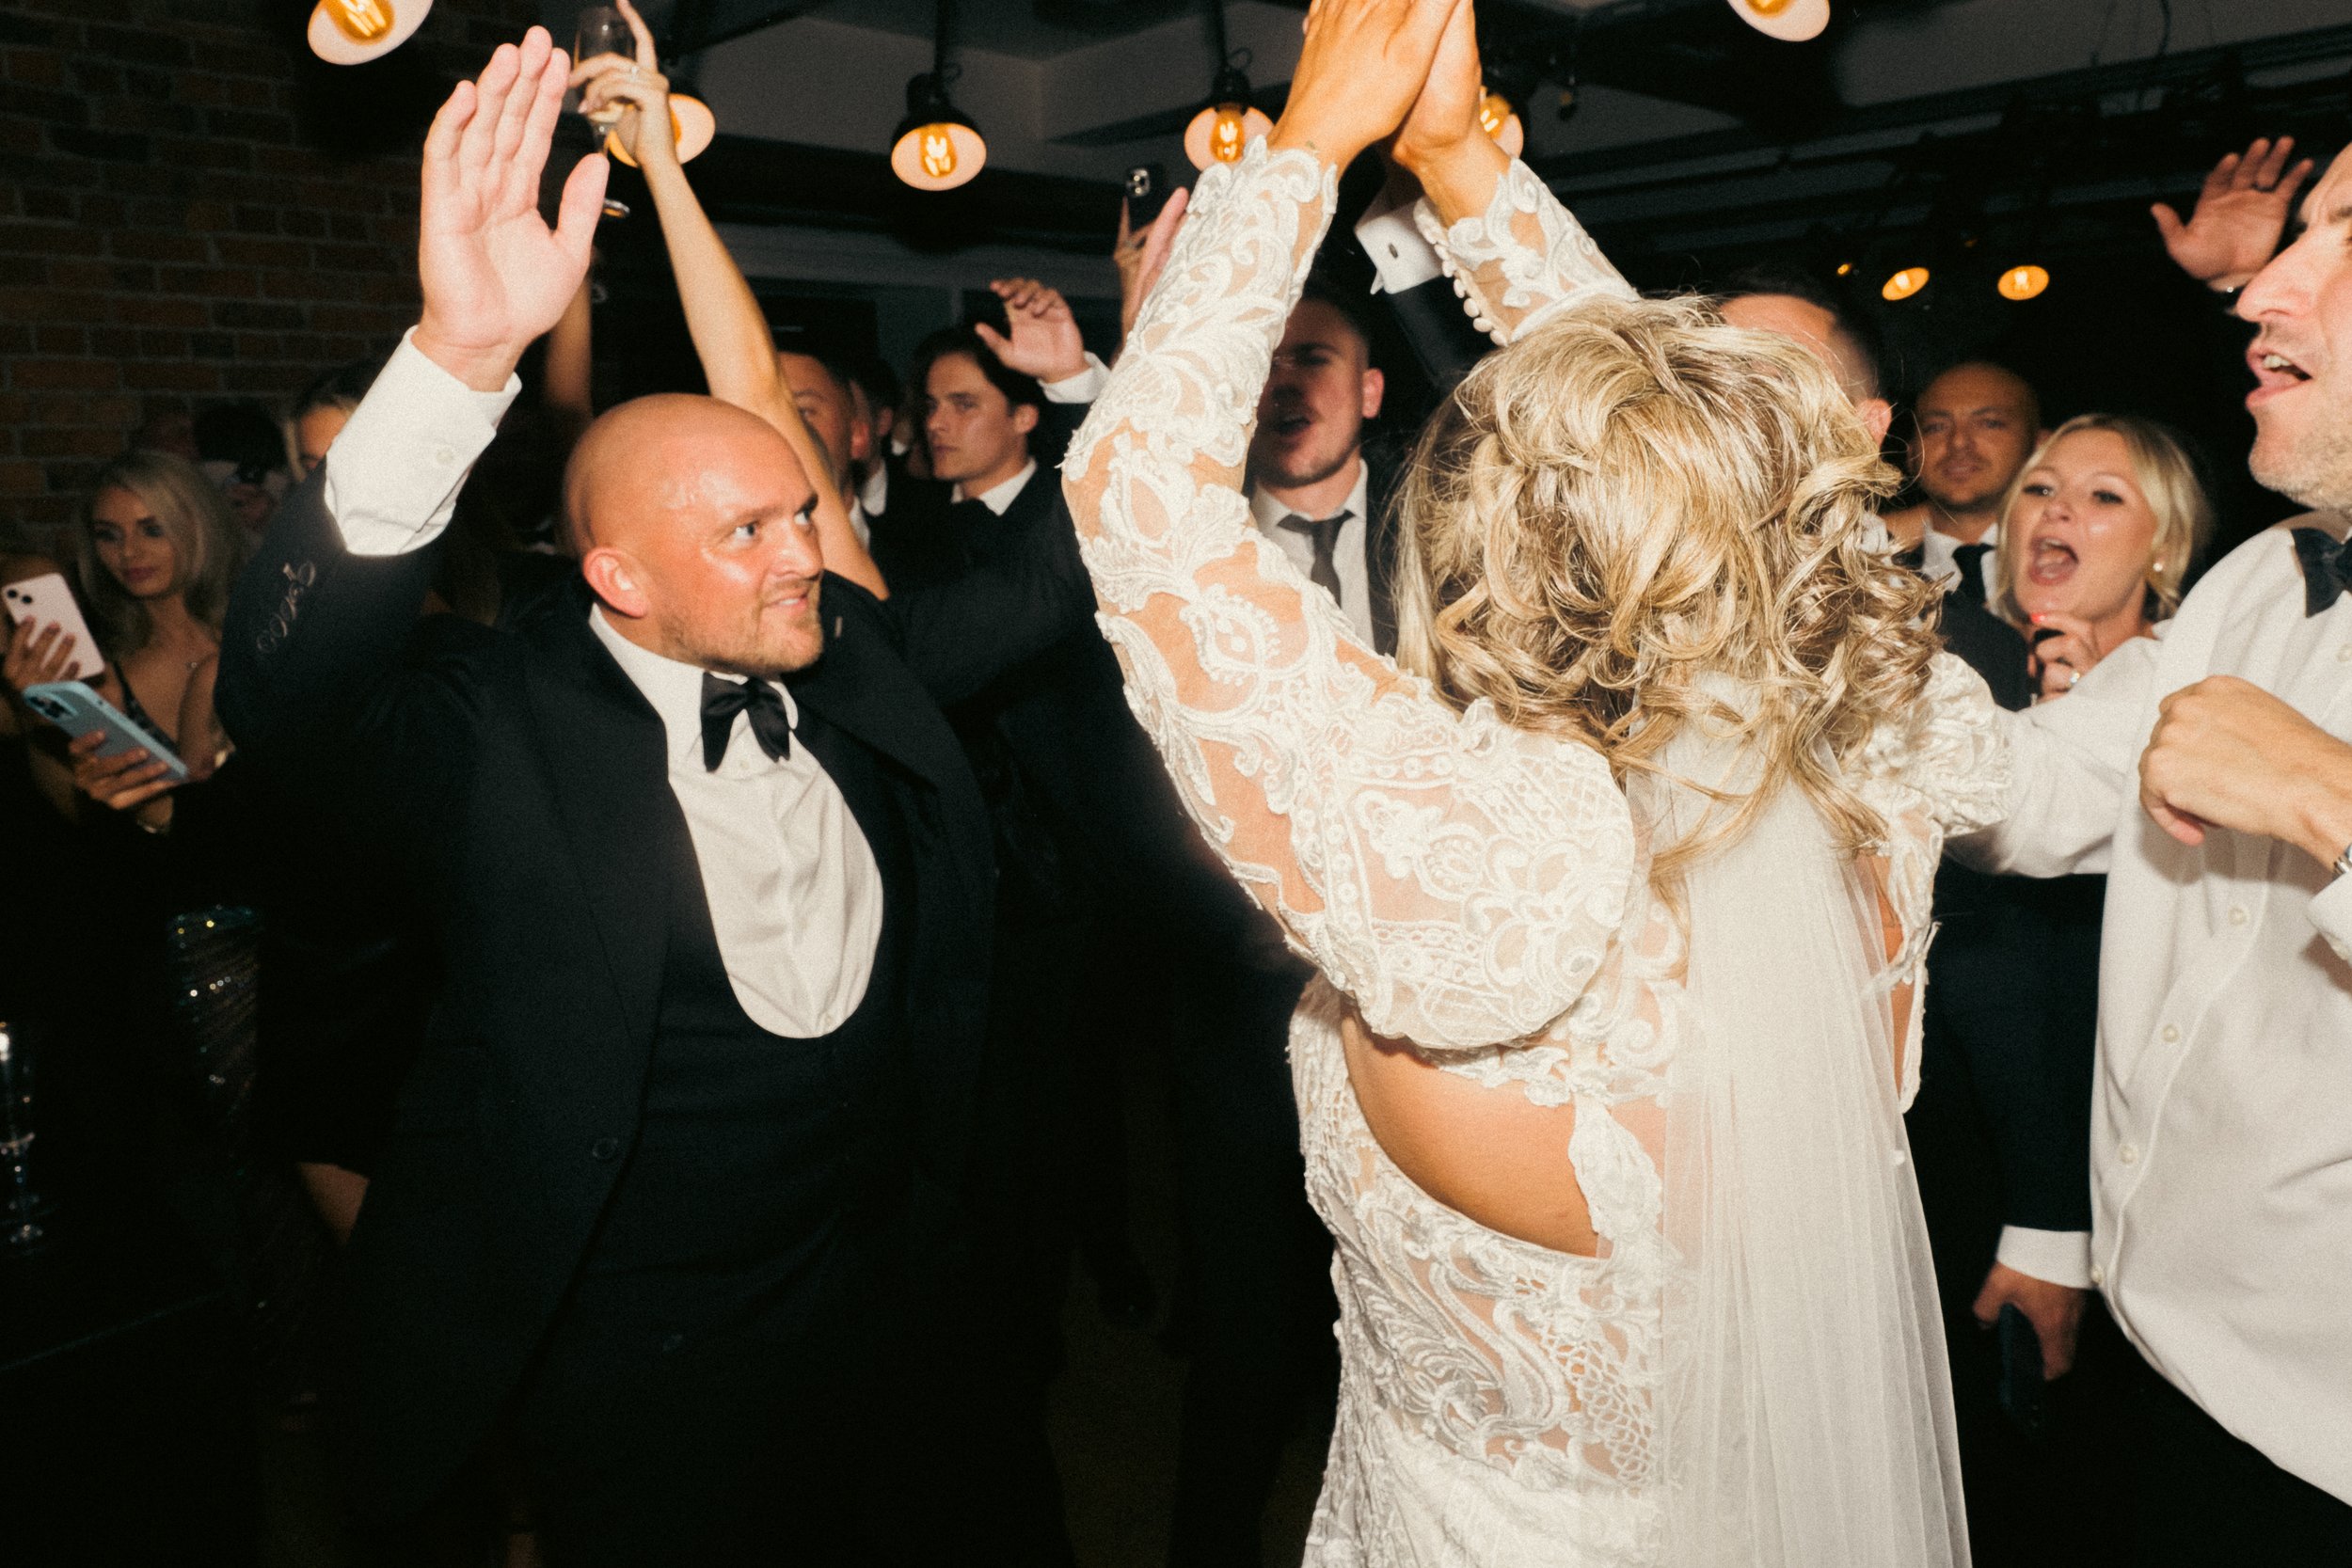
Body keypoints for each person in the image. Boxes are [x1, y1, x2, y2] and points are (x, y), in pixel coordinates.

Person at [1070, 1, 2000, 1561]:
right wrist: (1457, 165)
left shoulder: (1488, 859)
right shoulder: (1883, 740)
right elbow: (1721, 470)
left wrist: (1311, 142)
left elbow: (1134, 499)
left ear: (1488, 548)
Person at [214, 31, 1080, 1562]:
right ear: (615, 576)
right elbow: (289, 697)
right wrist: (460, 357)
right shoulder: (504, 724)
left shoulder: (860, 666)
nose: (799, 552)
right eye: (742, 532)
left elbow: (1045, 551)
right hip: (632, 1382)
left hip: (891, 1345)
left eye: (800, 513)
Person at [1954, 136, 2352, 1564]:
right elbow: (2028, 787)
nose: (2259, 293)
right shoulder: (2260, 576)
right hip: (2163, 1349)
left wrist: (2331, 799)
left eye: (2343, 237)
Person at [1910, 413, 2214, 1567]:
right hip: (1946, 1132)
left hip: (2087, 1171)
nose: (2055, 513)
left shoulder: (2180, 687)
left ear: (2164, 548)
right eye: (2040, 489)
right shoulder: (1984, 671)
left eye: (2102, 498)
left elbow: (2043, 948)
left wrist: (2051, 1218)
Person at [1883, 360, 2044, 599]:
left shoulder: (2078, 566)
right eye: (1936, 427)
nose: (1958, 442)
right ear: (1911, 454)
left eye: (1989, 423)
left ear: (2039, 446)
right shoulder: (1873, 579)